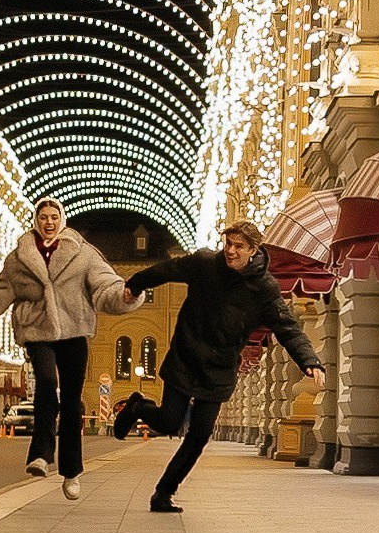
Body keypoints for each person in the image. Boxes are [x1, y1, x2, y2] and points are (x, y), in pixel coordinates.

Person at [114, 218, 326, 512]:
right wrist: (136, 284)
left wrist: (309, 360)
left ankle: (163, 493)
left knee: (199, 435)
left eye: (239, 246)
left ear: (253, 250)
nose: (231, 250)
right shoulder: (205, 264)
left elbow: (287, 327)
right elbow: (167, 270)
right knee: (169, 422)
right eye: (228, 243)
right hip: (186, 357)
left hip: (219, 369)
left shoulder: (264, 288)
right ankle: (137, 406)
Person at [0, 196, 142, 500]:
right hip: (37, 331)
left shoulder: (83, 254)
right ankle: (40, 455)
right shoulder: (19, 258)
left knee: (72, 402)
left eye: (53, 217)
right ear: (36, 221)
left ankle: (72, 472)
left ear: (61, 220)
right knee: (47, 382)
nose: (48, 222)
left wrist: (126, 296)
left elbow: (105, 285)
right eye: (43, 217)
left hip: (74, 332)